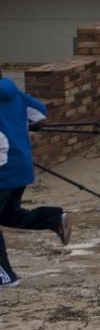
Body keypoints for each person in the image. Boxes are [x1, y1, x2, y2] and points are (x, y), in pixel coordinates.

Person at [0, 69, 70, 289]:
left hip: (2, 170)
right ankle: (53, 219)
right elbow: (40, 114)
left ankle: (5, 276)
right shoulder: (15, 93)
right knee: (8, 215)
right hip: (19, 167)